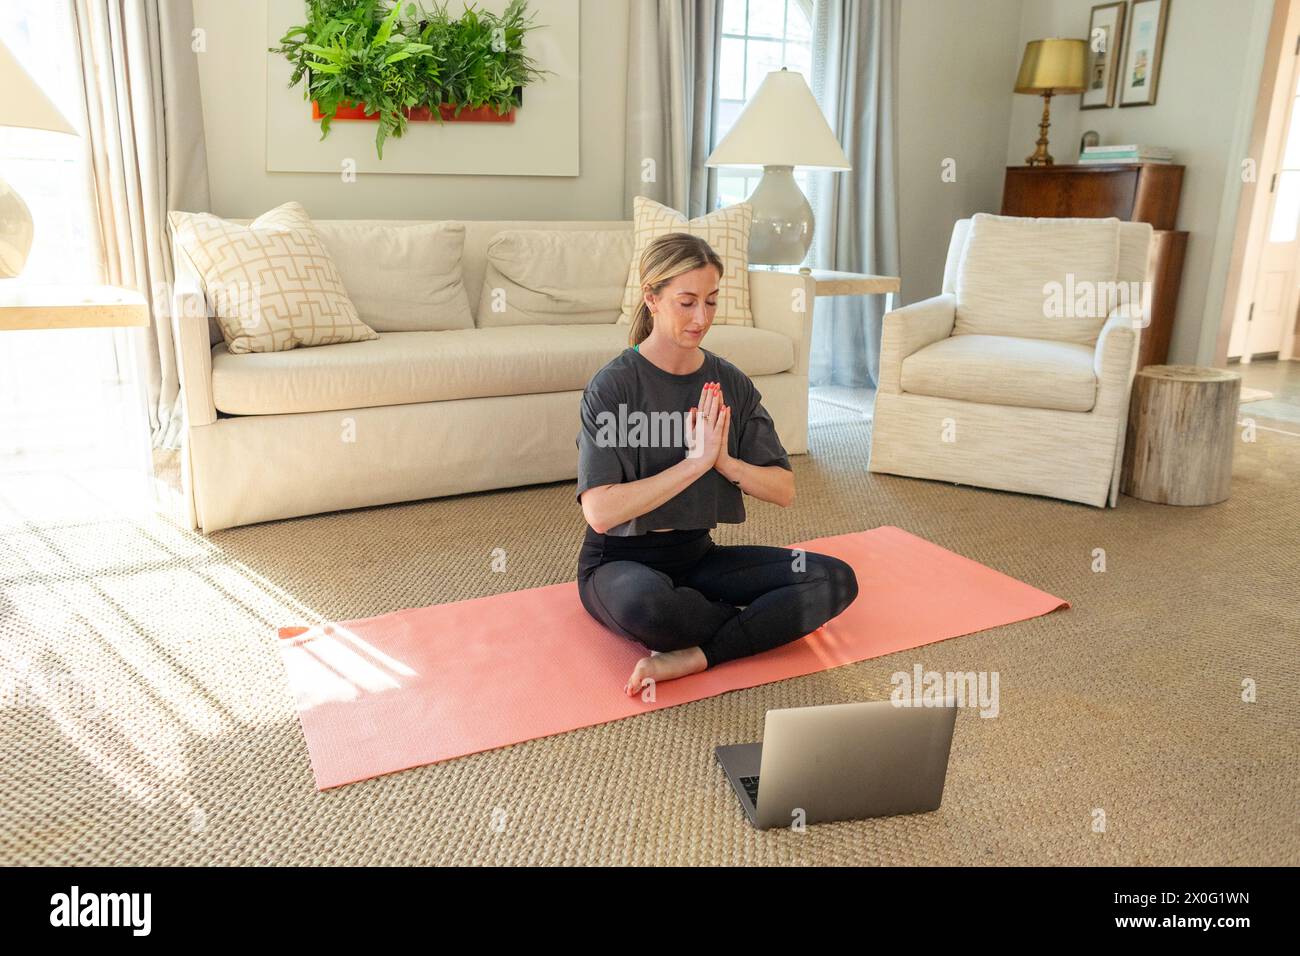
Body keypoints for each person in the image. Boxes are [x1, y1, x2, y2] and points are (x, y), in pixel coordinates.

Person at [575, 231, 859, 696]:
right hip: (618, 562)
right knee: (653, 611)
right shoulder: (614, 387)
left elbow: (783, 489)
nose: (701, 318)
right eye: (686, 302)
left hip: (698, 558)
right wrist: (694, 464)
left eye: (711, 301)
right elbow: (601, 512)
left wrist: (725, 462)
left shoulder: (730, 382)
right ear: (652, 298)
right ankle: (757, 623)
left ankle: (699, 654)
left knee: (832, 578)